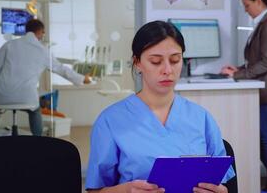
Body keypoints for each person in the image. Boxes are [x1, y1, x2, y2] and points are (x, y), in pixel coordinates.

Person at [85, 20, 235, 193]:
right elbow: (94, 191)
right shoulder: (110, 121)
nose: (167, 70)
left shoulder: (201, 118)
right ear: (137, 63)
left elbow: (224, 184)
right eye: (156, 61)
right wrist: (125, 190)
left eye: (175, 60)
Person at [220, 0, 267, 192]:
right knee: (261, 137)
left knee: (266, 138)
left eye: (247, 5)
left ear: (259, 1)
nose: (246, 9)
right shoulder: (264, 22)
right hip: (262, 88)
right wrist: (238, 70)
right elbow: (257, 61)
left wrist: (237, 75)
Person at [0, 19, 90, 137]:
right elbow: (60, 68)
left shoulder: (9, 45)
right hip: (26, 97)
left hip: (0, 94)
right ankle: (39, 141)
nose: (43, 36)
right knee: (35, 111)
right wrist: (82, 79)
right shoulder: (43, 50)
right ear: (40, 31)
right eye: (43, 33)